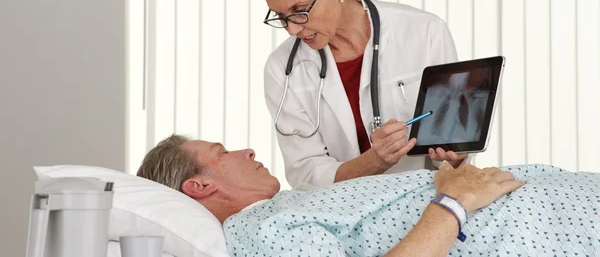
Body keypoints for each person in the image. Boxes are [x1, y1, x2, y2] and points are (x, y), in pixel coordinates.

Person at [137, 135, 600, 256]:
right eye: (223, 152)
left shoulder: (288, 206)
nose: (247, 149)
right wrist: (453, 202)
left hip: (557, 198)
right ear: (200, 186)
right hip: (548, 227)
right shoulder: (259, 231)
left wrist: (451, 179)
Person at [256, 0, 469, 188]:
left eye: (300, 10)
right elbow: (306, 175)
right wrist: (373, 162)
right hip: (342, 215)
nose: (292, 29)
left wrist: (455, 156)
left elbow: (456, 143)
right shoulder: (282, 69)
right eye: (281, 17)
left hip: (425, 202)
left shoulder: (425, 33)